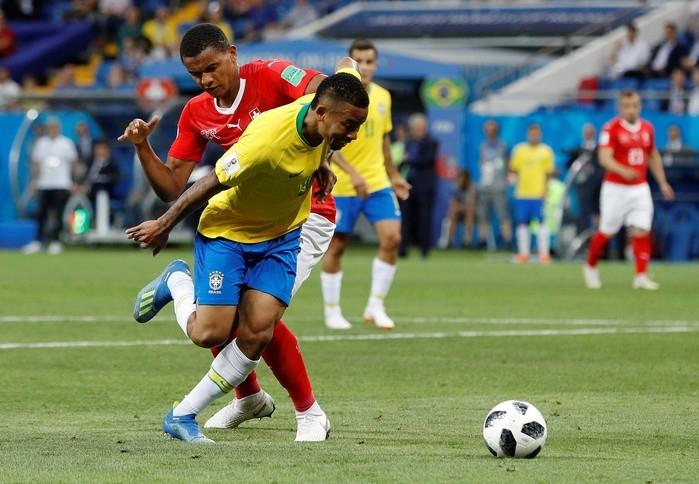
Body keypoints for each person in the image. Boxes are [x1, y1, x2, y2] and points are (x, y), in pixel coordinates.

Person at [118, 23, 349, 442]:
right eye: (195, 74)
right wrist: (142, 147)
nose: (205, 80)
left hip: (308, 213)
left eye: (211, 67)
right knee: (231, 318)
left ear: (233, 53)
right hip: (244, 220)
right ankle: (248, 397)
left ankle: (308, 412)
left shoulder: (273, 74)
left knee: (260, 318)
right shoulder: (197, 112)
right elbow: (174, 185)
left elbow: (325, 95)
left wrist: (321, 155)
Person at [320, 38, 411, 330]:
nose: (366, 67)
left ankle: (375, 306)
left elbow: (384, 139)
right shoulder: (336, 97)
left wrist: (394, 174)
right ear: (351, 65)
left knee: (392, 239)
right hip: (343, 183)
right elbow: (328, 139)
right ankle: (332, 311)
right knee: (337, 246)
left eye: (371, 61)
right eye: (360, 62)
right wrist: (352, 172)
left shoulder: (383, 97)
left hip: (377, 180)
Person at [583, 89, 675, 290]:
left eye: (634, 105)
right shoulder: (611, 128)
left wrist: (662, 182)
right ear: (620, 107)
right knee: (607, 231)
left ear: (640, 106)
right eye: (626, 106)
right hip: (616, 188)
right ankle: (590, 266)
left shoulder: (647, 128)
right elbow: (604, 157)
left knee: (642, 229)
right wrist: (623, 170)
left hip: (639, 188)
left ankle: (641, 276)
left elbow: (653, 156)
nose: (631, 110)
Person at [22, 118, 80, 255]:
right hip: (44, 184)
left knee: (58, 213)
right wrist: (34, 182)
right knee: (41, 213)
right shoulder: (41, 143)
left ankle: (56, 241)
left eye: (55, 127)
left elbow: (74, 163)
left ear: (58, 128)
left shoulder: (66, 143)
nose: (53, 129)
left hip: (61, 183)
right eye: (51, 127)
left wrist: (75, 182)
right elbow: (36, 164)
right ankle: (37, 241)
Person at [509, 123, 555, 264]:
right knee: (523, 224)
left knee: (542, 223)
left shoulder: (546, 151)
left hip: (538, 193)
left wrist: (545, 190)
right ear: (528, 134)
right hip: (523, 193)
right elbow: (513, 169)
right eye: (531, 133)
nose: (534, 136)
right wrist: (512, 181)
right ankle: (524, 254)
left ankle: (544, 254)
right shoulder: (519, 150)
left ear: (540, 134)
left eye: (536, 133)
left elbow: (549, 173)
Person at [398, 113, 438, 258]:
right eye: (416, 128)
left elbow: (427, 161)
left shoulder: (432, 142)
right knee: (406, 217)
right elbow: (403, 161)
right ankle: (403, 248)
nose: (419, 131)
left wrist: (410, 159)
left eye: (421, 128)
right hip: (409, 184)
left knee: (424, 218)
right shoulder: (409, 142)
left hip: (425, 185)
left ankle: (424, 249)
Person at [475, 119, 511, 249]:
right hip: (484, 186)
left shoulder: (503, 146)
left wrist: (507, 178)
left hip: (499, 186)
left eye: (492, 129)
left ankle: (507, 240)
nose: (489, 132)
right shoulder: (482, 146)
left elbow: (508, 164)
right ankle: (483, 240)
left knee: (503, 214)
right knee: (482, 215)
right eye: (487, 129)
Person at [567, 123, 603, 233]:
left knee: (598, 215)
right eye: (586, 131)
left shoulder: (600, 150)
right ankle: (583, 241)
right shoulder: (577, 151)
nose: (588, 134)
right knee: (582, 215)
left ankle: (598, 243)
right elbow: (570, 166)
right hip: (582, 189)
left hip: (598, 188)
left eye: (591, 131)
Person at [445, 169, 475, 249]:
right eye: (459, 178)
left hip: (470, 213)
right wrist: (461, 207)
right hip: (459, 212)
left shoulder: (471, 188)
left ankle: (466, 242)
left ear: (466, 179)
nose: (460, 180)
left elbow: (471, 205)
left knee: (469, 214)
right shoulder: (456, 188)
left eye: (462, 178)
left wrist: (461, 207)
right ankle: (450, 242)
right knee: (452, 214)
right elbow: (453, 203)